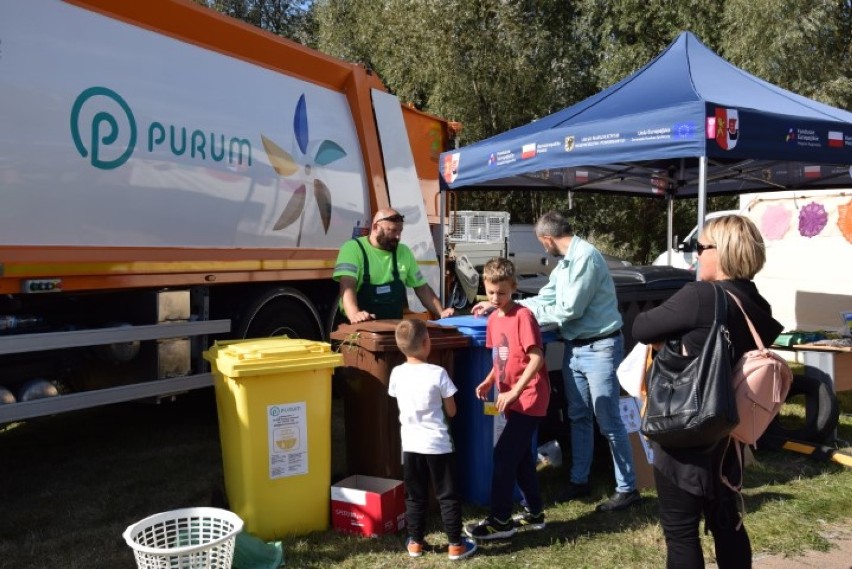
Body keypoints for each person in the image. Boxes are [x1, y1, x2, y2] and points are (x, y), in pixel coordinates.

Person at [632, 214, 782, 569]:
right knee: (728, 523)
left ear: (724, 251)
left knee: (681, 532)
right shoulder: (756, 305)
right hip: (729, 435)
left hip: (687, 428)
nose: (695, 255)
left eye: (700, 248)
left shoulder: (701, 296)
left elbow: (641, 326)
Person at [473, 210, 639, 512]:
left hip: (600, 346)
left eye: (541, 243)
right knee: (578, 416)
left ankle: (627, 488)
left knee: (608, 418)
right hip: (575, 346)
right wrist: (506, 304)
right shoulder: (564, 265)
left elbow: (568, 310)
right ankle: (580, 480)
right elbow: (546, 298)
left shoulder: (585, 258)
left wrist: (516, 312)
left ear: (546, 239)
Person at [465, 258, 550, 540]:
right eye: (490, 292)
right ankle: (534, 513)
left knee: (503, 456)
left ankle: (500, 520)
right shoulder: (493, 319)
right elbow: (500, 358)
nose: (495, 298)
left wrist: (514, 391)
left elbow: (536, 358)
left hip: (529, 398)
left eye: (501, 293)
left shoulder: (522, 317)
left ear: (513, 287)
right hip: (511, 399)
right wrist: (490, 380)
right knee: (521, 457)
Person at [388, 319, 477, 561]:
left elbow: (396, 396)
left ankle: (415, 542)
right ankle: (456, 545)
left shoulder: (397, 373)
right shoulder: (438, 373)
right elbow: (452, 411)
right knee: (447, 495)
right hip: (438, 445)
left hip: (411, 445)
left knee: (415, 496)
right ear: (427, 343)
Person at [333, 208, 453, 323]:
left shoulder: (404, 252)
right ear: (375, 227)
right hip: (358, 328)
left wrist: (441, 312)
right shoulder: (352, 249)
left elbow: (422, 288)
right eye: (393, 231)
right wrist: (355, 314)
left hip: (393, 328)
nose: (398, 237)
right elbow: (347, 285)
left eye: (400, 231)